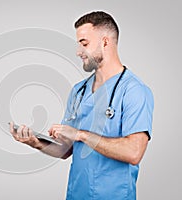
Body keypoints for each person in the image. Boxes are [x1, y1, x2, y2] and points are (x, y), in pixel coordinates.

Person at [9, 11, 154, 200]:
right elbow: (65, 149)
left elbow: (133, 152)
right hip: (77, 195)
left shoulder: (134, 90)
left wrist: (81, 134)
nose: (78, 52)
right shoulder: (79, 91)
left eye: (84, 44)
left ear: (105, 42)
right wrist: (35, 143)